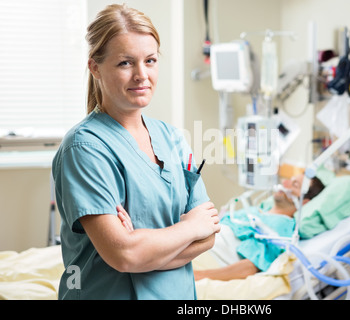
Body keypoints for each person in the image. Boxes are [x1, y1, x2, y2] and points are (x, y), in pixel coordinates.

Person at [52, 4, 220, 300]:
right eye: (125, 63)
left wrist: (144, 245)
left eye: (150, 60)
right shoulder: (85, 149)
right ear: (95, 67)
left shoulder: (172, 138)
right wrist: (189, 227)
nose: (142, 75)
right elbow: (125, 255)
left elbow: (208, 236)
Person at [192, 173, 325, 281]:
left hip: (207, 258)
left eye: (294, 184)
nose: (285, 183)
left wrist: (200, 276)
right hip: (194, 245)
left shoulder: (283, 226)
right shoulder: (256, 211)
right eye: (290, 179)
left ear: (304, 202)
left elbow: (250, 267)